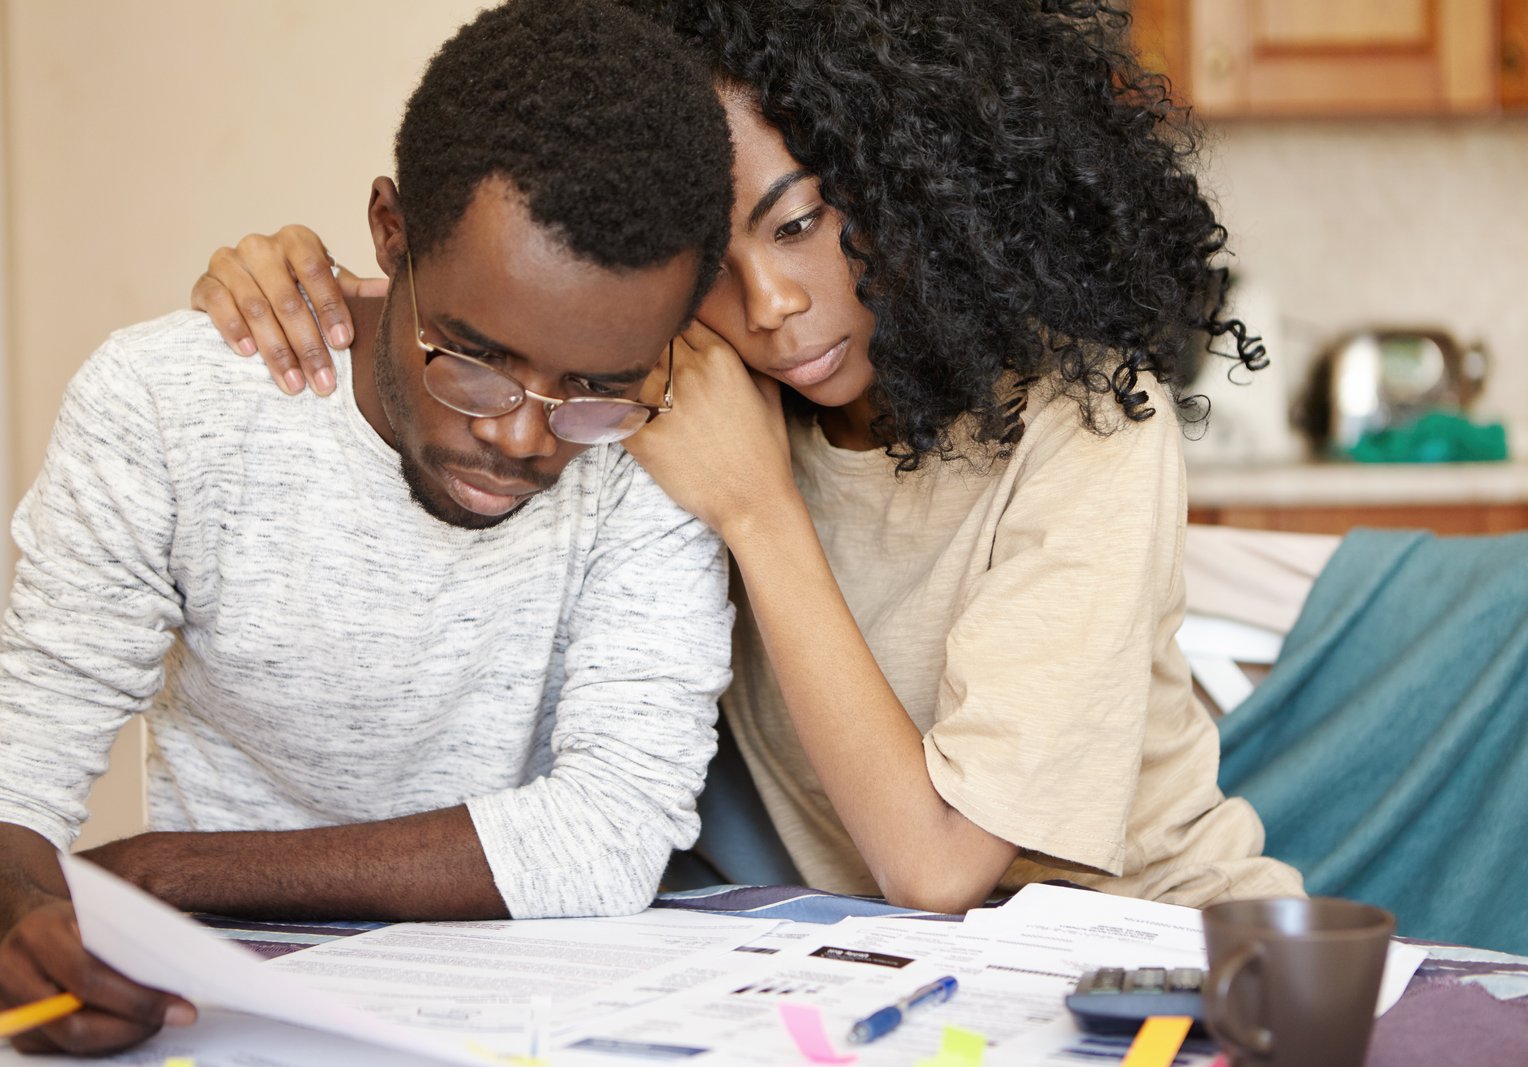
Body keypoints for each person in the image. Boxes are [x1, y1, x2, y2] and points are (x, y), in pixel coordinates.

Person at [191, 0, 1304, 918]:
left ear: (915, 179)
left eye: (800, 223)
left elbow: (938, 868)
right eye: (707, 264)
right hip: (851, 966)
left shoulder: (1084, 420)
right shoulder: (678, 379)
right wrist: (294, 281)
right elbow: (485, 327)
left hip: (1167, 954)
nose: (770, 306)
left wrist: (759, 508)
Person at [0, 1, 736, 1056]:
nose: (527, 438)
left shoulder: (654, 448)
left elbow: (612, 829)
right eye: (474, 357)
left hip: (533, 1021)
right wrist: (28, 922)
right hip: (217, 1012)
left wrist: (170, 869)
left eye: (595, 386)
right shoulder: (166, 404)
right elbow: (18, 771)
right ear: (390, 234)